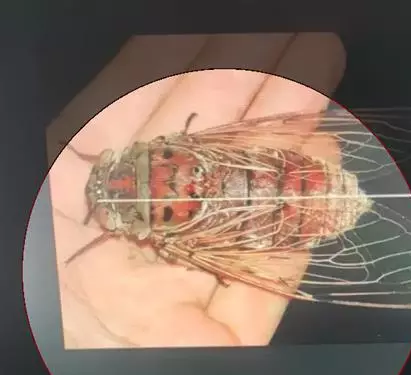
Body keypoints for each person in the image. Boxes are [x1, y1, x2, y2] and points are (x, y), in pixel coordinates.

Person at [48, 35, 346, 348]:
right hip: (266, 184)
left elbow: (177, 245)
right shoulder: (165, 153)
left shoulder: (159, 233)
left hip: (254, 215)